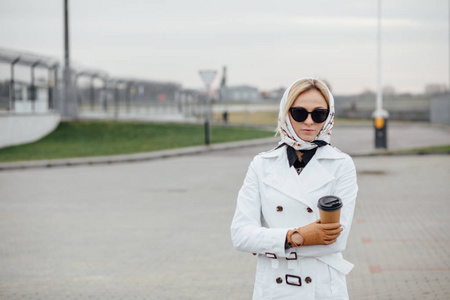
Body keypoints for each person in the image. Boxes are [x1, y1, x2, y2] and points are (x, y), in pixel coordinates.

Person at [230, 78, 358, 300]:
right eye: (299, 113)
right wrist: (297, 236)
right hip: (274, 286)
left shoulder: (341, 164)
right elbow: (241, 236)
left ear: (329, 117)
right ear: (285, 113)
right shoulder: (262, 164)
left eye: (319, 114)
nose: (309, 122)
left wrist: (267, 242)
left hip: (321, 287)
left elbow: (336, 241)